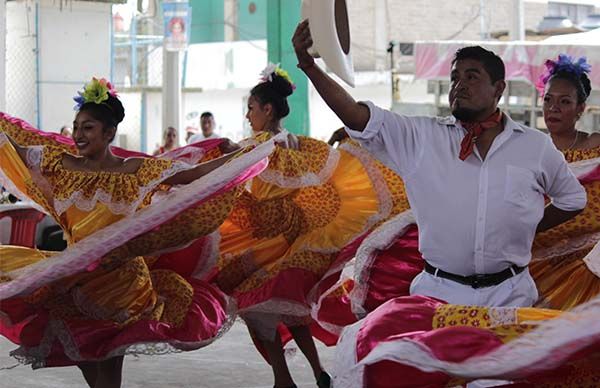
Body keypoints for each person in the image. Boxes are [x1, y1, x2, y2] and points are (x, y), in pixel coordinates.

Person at [293, 20, 586, 308]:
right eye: (455, 78)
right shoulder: (421, 137)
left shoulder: (534, 146)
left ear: (499, 89)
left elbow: (573, 199)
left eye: (472, 77)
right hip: (437, 296)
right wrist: (309, 67)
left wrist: (528, 225)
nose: (460, 86)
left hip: (511, 297)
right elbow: (356, 116)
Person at [0, 77, 272, 388]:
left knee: (104, 364)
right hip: (77, 279)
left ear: (109, 132)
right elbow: (15, 148)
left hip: (123, 285)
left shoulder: (133, 172)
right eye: (76, 127)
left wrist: (246, 155)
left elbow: (192, 175)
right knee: (89, 358)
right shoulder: (59, 164)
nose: (78, 135)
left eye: (87, 127)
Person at [212, 64, 389, 388]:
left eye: (251, 108)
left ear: (267, 109)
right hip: (292, 237)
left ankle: (283, 379)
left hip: (270, 241)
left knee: (254, 305)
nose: (248, 115)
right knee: (290, 312)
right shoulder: (294, 141)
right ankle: (316, 371)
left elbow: (255, 170)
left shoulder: (266, 144)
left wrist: (224, 153)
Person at [530, 54, 600, 310]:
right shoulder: (527, 149)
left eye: (565, 101)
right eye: (548, 99)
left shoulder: (595, 148)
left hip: (588, 259)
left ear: (581, 108)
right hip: (536, 257)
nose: (553, 108)